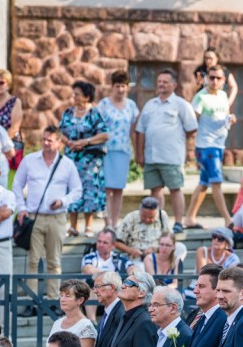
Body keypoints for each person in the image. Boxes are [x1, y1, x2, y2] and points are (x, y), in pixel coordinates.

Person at [14, 125, 83, 314]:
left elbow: (77, 190)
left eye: (50, 140)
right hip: (34, 217)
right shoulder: (30, 160)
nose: (45, 143)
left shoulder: (67, 164)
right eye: (44, 139)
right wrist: (21, 208)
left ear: (59, 143)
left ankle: (54, 301)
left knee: (54, 261)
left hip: (57, 217)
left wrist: (63, 201)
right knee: (33, 260)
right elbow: (17, 185)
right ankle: (31, 302)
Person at [135, 69, 197, 234]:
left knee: (175, 189)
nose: (161, 84)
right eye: (159, 81)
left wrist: (176, 139)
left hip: (171, 156)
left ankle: (178, 222)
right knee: (155, 190)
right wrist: (139, 154)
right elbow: (140, 130)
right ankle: (158, 222)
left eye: (165, 82)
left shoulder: (181, 105)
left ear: (174, 85)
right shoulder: (150, 105)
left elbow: (191, 128)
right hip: (151, 156)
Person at [187, 65, 235, 228]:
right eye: (212, 77)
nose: (215, 81)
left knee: (204, 183)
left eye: (218, 78)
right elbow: (191, 121)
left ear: (223, 80)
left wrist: (230, 119)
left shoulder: (223, 95)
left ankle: (190, 217)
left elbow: (224, 118)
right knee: (216, 182)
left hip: (219, 144)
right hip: (206, 146)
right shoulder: (201, 97)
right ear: (206, 78)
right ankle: (227, 219)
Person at [59, 81, 109, 236]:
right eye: (73, 94)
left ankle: (88, 226)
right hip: (71, 158)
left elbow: (104, 135)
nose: (74, 97)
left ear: (87, 97)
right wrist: (69, 143)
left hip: (90, 160)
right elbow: (59, 132)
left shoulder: (95, 113)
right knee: (71, 188)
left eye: (77, 94)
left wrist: (85, 141)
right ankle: (73, 226)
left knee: (89, 190)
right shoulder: (68, 113)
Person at [98, 71, 139, 228]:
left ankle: (115, 223)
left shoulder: (131, 106)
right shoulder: (104, 105)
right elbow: (97, 128)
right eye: (117, 86)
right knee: (106, 188)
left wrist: (137, 152)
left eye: (123, 86)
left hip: (123, 151)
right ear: (112, 86)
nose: (120, 89)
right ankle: (107, 222)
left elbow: (133, 131)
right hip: (106, 151)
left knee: (118, 188)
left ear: (127, 87)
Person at [49, 279, 97, 347]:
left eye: (67, 296)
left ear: (80, 300)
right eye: (61, 295)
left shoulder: (86, 326)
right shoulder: (57, 323)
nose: (62, 299)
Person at [0, 68, 24, 172]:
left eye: (1, 82)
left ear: (8, 85)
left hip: (10, 146)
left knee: (9, 177)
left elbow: (14, 127)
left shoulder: (15, 102)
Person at [115, 196, 172, 265]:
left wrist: (157, 249)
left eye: (151, 217)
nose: (147, 219)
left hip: (158, 254)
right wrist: (130, 250)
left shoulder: (162, 216)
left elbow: (170, 239)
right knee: (142, 268)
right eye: (144, 216)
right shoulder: (131, 217)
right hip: (137, 257)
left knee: (180, 248)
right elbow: (116, 242)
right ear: (140, 211)